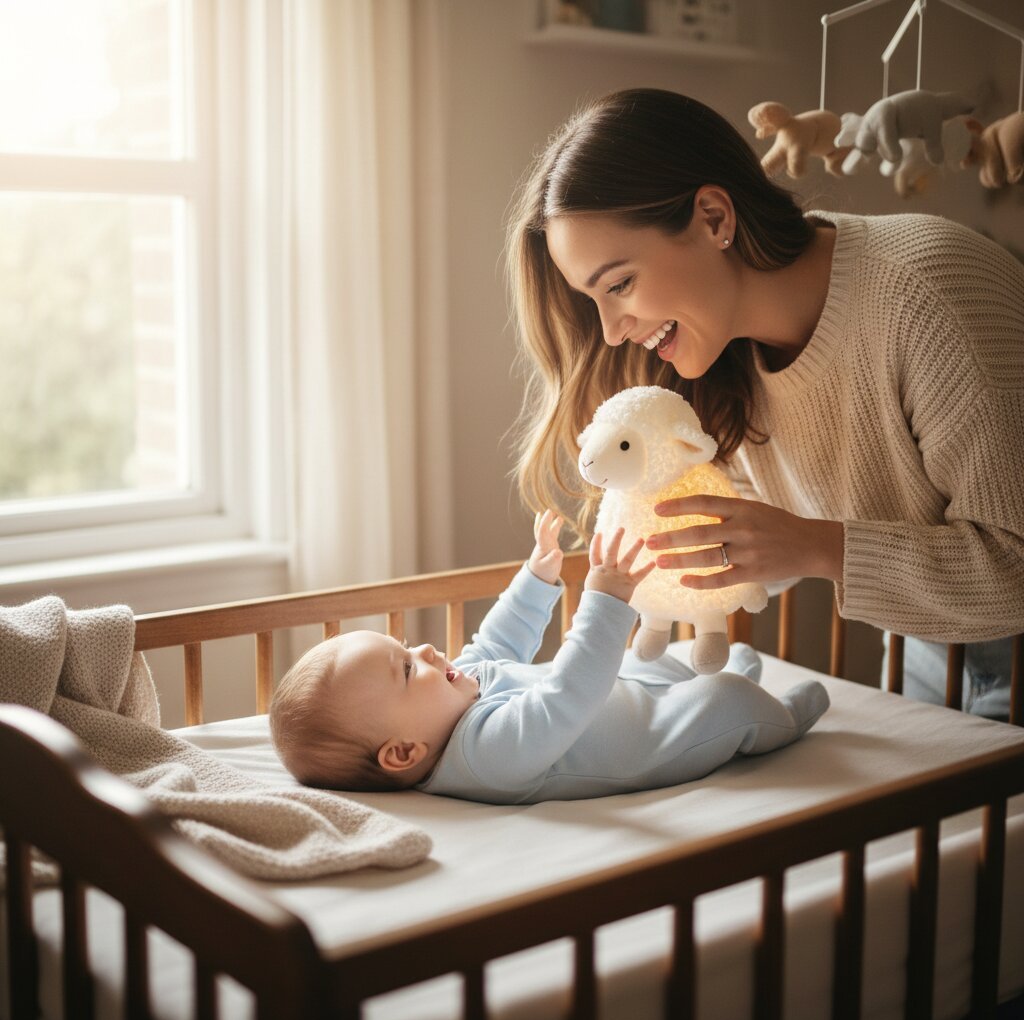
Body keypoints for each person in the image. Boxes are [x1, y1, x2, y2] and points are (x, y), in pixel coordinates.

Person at [506, 87, 1024, 720]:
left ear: (715, 219)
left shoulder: (927, 294)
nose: (613, 330)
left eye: (620, 284)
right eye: (595, 302)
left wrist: (815, 546)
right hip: (929, 648)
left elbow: (1015, 560)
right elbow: (760, 545)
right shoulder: (725, 366)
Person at [269, 511, 829, 803]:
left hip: (627, 689)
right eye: (407, 668)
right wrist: (604, 600)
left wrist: (535, 578)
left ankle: (734, 673)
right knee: (723, 700)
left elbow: (494, 644)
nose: (423, 648)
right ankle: (780, 716)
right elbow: (568, 695)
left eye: (405, 647)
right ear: (403, 752)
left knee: (654, 660)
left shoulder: (450, 700)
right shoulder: (488, 758)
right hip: (656, 736)